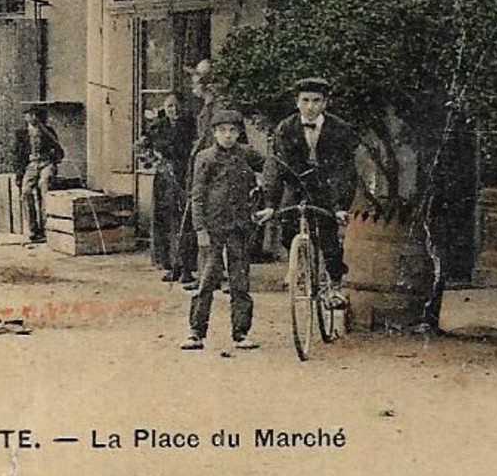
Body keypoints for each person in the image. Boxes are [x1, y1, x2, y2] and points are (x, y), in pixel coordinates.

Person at [257, 78, 362, 288]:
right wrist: (270, 203)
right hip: (296, 183)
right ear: (297, 103)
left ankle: (335, 283)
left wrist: (340, 206)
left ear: (325, 103)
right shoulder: (285, 128)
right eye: (305, 100)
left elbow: (344, 170)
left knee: (328, 236)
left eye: (316, 101)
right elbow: (276, 166)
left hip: (327, 185)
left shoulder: (339, 129)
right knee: (288, 225)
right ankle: (299, 265)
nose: (310, 106)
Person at [183, 109, 263, 351]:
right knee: (206, 281)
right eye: (222, 131)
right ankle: (196, 332)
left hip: (239, 228)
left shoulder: (247, 154)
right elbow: (197, 196)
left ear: (239, 133)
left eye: (232, 131)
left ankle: (241, 333)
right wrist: (200, 229)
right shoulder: (206, 158)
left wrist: (261, 191)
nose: (227, 136)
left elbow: (270, 168)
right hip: (213, 227)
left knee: (240, 282)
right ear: (214, 133)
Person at [143, 92, 199, 288]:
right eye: (169, 107)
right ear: (164, 109)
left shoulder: (189, 127)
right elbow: (144, 147)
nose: (173, 110)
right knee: (166, 221)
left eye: (176, 106)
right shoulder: (159, 127)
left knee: (183, 222)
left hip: (183, 176)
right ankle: (171, 266)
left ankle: (186, 268)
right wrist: (154, 159)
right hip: (164, 179)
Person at [13, 104, 64, 244]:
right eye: (29, 114)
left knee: (44, 185)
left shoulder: (48, 131)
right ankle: (33, 229)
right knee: (26, 192)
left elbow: (60, 151)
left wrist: (53, 159)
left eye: (35, 114)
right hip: (30, 166)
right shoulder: (21, 134)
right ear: (25, 117)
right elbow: (17, 156)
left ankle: (48, 228)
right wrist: (19, 174)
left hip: (46, 164)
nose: (32, 117)